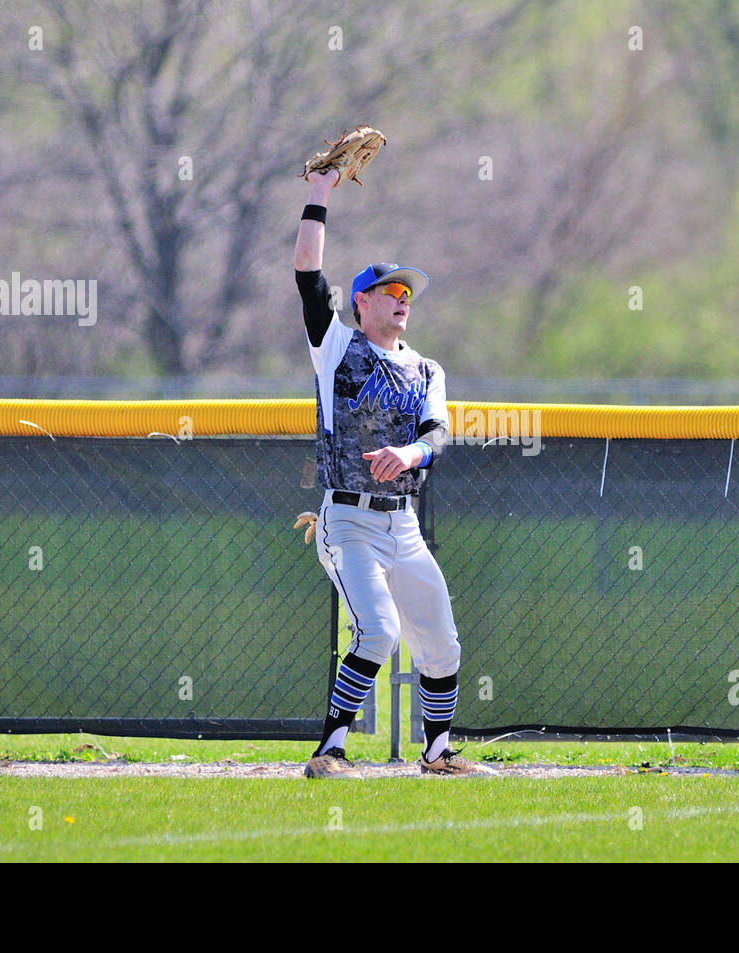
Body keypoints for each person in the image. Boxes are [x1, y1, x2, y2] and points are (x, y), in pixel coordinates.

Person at [292, 167, 488, 778]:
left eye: (408, 293)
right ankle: (330, 752)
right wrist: (319, 194)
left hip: (401, 524)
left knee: (441, 642)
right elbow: (305, 276)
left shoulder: (427, 369)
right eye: (390, 290)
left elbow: (439, 434)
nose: (403, 299)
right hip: (347, 518)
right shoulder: (337, 346)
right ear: (362, 302)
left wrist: (410, 454)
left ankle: (437, 752)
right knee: (377, 633)